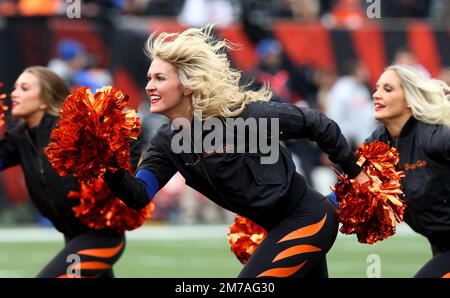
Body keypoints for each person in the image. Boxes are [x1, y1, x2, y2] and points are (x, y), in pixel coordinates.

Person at [103, 26, 368, 278]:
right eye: (149, 78)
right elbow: (138, 195)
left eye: (160, 78)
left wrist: (355, 174)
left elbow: (318, 124)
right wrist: (108, 164)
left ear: (187, 85)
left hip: (307, 219)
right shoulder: (167, 142)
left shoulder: (241, 117)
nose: (149, 86)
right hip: (279, 229)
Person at [0, 66, 134, 278]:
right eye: (15, 87)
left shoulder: (69, 128)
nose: (14, 93)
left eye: (24, 88)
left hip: (102, 237)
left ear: (45, 99)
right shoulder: (20, 139)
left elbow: (124, 141)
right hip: (72, 238)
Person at [367, 65, 450, 278]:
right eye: (376, 88)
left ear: (409, 100)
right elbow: (349, 188)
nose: (376, 94)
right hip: (440, 246)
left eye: (388, 89)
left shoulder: (434, 136)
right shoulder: (378, 144)